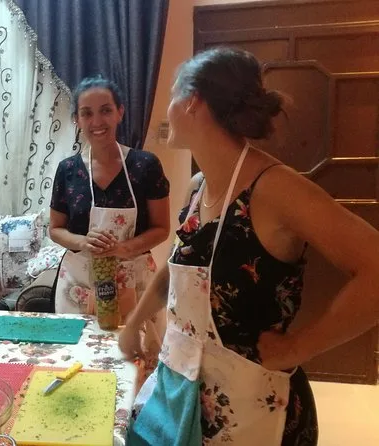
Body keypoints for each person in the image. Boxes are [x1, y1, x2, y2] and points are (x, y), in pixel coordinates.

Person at [121, 46, 379, 445]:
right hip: (185, 395)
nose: (168, 110)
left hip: (256, 411)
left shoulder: (276, 189)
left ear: (192, 102)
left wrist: (298, 347)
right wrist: (135, 322)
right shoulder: (197, 187)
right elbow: (177, 268)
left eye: (172, 96)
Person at [49, 75, 171, 359]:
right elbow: (55, 229)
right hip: (79, 285)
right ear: (77, 120)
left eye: (105, 110)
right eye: (86, 113)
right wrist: (83, 241)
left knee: (137, 361)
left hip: (135, 283)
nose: (97, 121)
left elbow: (161, 228)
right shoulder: (68, 170)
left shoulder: (145, 165)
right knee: (78, 360)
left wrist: (124, 248)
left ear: (120, 112)